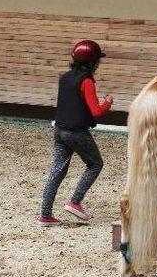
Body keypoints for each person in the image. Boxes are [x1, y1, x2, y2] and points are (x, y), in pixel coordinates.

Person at [37, 40, 113, 227]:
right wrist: (108, 103)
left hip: (59, 130)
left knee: (56, 171)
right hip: (76, 132)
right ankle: (75, 202)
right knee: (95, 164)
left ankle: (45, 215)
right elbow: (96, 111)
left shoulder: (64, 78)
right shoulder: (86, 81)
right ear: (91, 63)